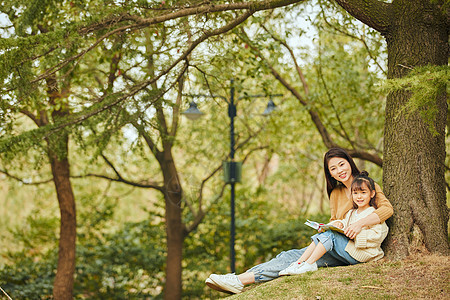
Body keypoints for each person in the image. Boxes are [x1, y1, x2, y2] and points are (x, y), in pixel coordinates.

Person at [205, 147, 393, 294]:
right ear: (330, 173)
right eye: (333, 169)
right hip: (334, 244)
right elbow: (335, 220)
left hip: (353, 248)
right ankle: (239, 279)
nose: (339, 171)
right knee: (288, 256)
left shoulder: (366, 186)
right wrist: (330, 226)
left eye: (342, 164)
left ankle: (240, 280)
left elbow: (387, 209)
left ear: (350, 163)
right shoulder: (335, 193)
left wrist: (359, 223)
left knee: (297, 259)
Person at [278, 171, 388, 275]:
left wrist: (355, 236)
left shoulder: (373, 214)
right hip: (351, 249)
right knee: (322, 234)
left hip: (364, 255)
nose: (359, 196)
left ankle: (309, 264)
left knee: (331, 236)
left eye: (363, 193)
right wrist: (337, 224)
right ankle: (299, 263)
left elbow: (378, 235)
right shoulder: (351, 213)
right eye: (355, 193)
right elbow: (344, 223)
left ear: (372, 194)